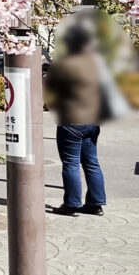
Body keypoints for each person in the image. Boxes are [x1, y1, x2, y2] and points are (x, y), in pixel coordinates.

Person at [46, 22, 106, 216]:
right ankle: (95, 204)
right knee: (91, 162)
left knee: (71, 163)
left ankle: (72, 204)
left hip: (71, 120)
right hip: (92, 120)